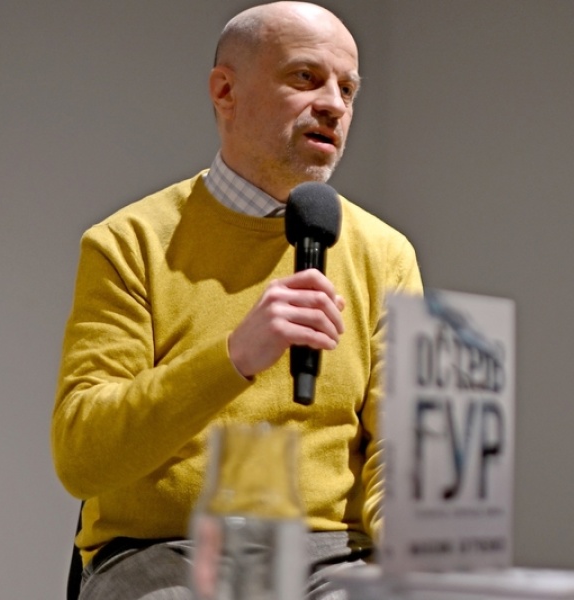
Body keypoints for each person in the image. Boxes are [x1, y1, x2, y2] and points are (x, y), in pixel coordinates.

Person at [50, 3, 422, 599]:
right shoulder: (130, 242)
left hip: (332, 555)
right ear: (226, 91)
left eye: (348, 89)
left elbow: (397, 450)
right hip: (167, 550)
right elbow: (82, 458)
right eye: (306, 77)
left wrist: (416, 549)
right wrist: (234, 357)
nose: (333, 104)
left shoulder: (385, 254)